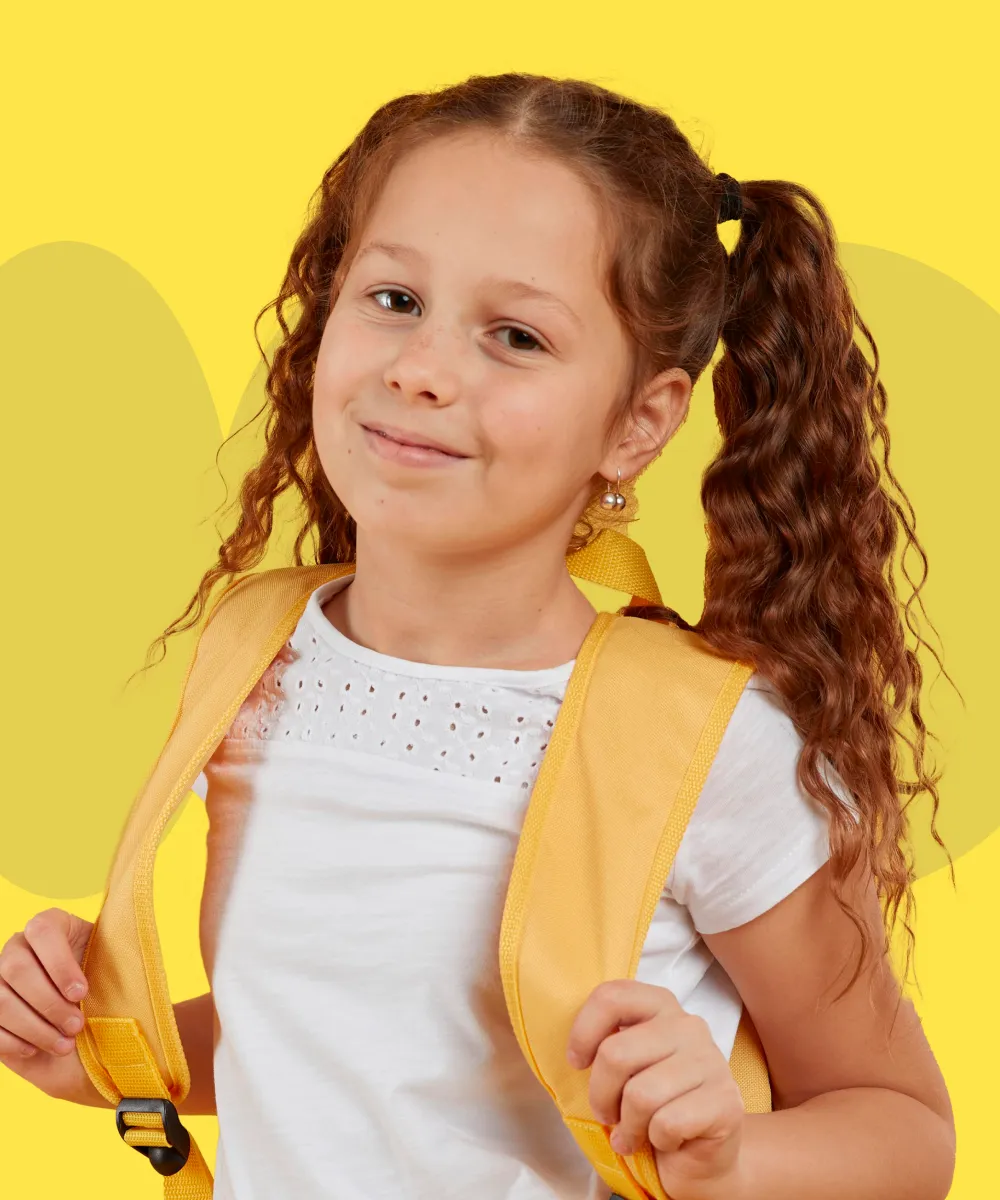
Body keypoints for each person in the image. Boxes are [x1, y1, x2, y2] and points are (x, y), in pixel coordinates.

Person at [0, 72, 956, 1200]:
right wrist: (102, 1060)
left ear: (638, 424)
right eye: (394, 300)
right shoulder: (255, 653)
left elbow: (903, 1132)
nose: (420, 370)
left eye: (513, 336)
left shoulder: (694, 744)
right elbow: (333, 1050)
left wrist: (731, 1158)